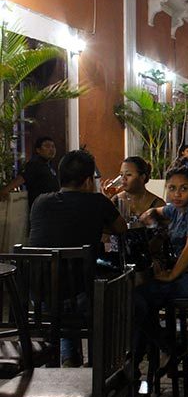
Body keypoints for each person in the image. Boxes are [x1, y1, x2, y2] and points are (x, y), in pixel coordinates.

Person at [29, 149, 127, 366]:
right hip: (79, 299)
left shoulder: (40, 202)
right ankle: (107, 365)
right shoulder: (96, 202)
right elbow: (121, 228)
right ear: (87, 181)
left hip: (39, 298)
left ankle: (69, 358)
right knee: (109, 292)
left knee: (63, 292)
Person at [135, 166, 188, 368]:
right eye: (172, 188)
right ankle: (158, 349)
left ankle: (163, 348)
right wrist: (150, 213)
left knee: (138, 299)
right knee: (140, 301)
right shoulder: (176, 208)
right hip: (187, 273)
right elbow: (159, 210)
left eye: (184, 188)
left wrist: (173, 274)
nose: (177, 194)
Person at [0, 136, 59, 208]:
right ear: (38, 150)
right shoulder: (34, 164)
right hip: (41, 208)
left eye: (53, 146)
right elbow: (22, 178)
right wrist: (6, 190)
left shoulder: (48, 166)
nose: (51, 149)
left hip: (51, 206)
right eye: (47, 146)